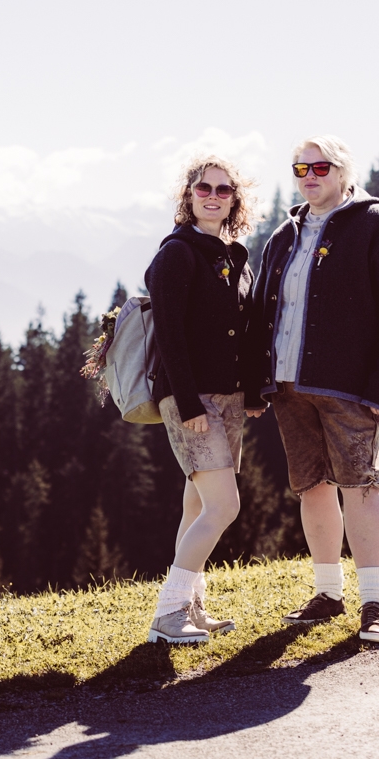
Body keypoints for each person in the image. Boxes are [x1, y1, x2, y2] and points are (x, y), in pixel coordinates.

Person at [247, 135, 379, 644]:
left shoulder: (375, 224)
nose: (309, 174)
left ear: (344, 172)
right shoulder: (285, 232)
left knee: (361, 485)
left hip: (350, 387)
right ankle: (328, 593)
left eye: (321, 166)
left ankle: (375, 606)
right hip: (288, 383)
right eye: (301, 166)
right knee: (312, 486)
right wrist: (259, 384)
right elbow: (264, 308)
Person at [144, 154, 263, 643]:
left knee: (197, 506)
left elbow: (245, 331)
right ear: (188, 196)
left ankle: (191, 608)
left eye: (223, 189)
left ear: (235, 199)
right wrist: (189, 402)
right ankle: (167, 615)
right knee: (223, 507)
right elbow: (169, 333)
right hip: (192, 401)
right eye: (203, 188)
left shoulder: (234, 255)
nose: (213, 196)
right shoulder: (177, 253)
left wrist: (253, 391)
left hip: (230, 398)